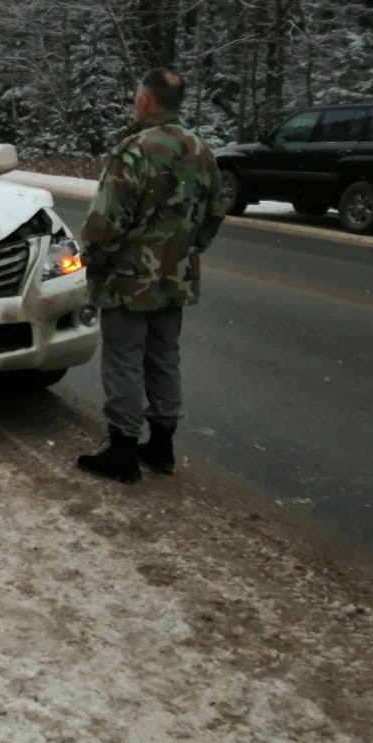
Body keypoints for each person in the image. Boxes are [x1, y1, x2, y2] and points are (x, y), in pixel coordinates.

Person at [76, 68, 227, 483]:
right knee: (164, 356)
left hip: (129, 277)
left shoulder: (134, 150)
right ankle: (162, 445)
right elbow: (216, 210)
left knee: (124, 358)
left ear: (145, 101)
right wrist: (188, 249)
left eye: (136, 96)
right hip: (175, 275)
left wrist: (93, 260)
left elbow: (105, 223)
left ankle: (123, 451)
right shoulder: (201, 149)